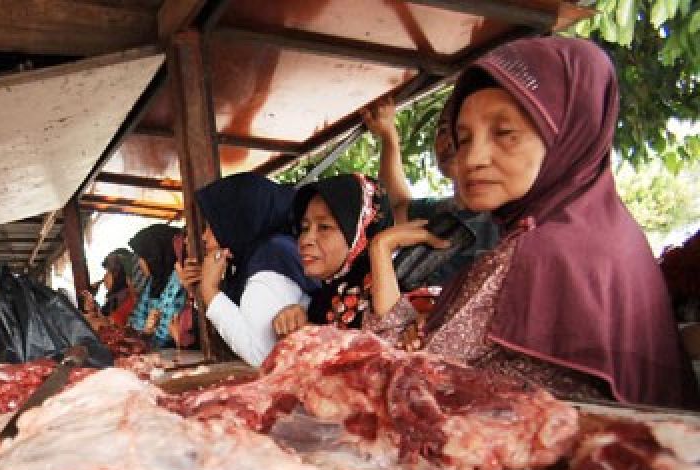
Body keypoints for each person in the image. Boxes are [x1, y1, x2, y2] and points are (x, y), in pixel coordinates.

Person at [363, 36, 696, 409]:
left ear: (567, 136)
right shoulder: (606, 236)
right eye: (464, 138)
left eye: (505, 134)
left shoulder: (542, 251)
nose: (472, 158)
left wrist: (381, 251)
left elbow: (406, 385)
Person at [362, 97, 500, 289]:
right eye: (443, 130)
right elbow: (395, 206)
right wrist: (388, 136)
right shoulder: (440, 212)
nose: (449, 140)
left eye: (462, 130)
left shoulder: (510, 221)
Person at [190, 172, 319, 366]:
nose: (204, 237)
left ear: (237, 220)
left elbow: (261, 355)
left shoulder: (270, 258)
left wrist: (209, 291)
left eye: (211, 226)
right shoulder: (263, 253)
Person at [273, 173, 394, 336]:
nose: (305, 240)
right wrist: (299, 324)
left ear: (360, 233)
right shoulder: (321, 304)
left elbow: (391, 342)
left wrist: (380, 245)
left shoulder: (400, 284)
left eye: (324, 227)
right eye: (304, 228)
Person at [128, 224, 187, 348]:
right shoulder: (152, 283)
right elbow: (134, 322)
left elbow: (167, 333)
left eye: (143, 257)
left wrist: (148, 331)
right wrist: (146, 330)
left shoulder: (179, 281)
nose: (139, 263)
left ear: (155, 255)